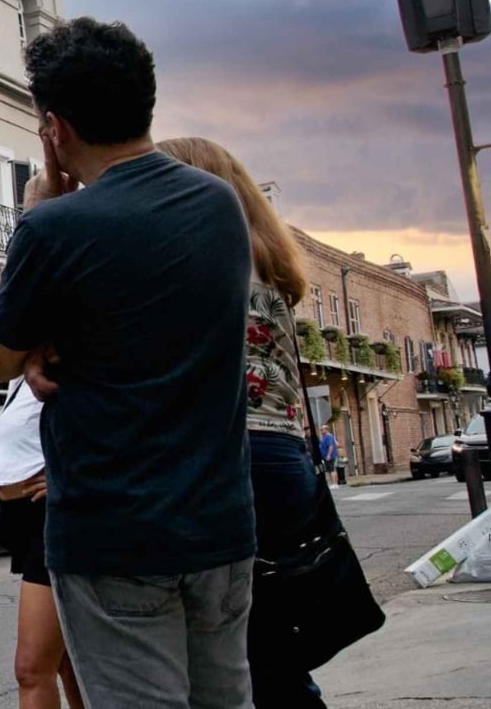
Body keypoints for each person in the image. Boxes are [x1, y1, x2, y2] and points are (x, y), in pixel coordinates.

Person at [0, 18, 256, 709]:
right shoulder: (220, 205)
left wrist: (42, 209)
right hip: (220, 525)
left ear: (55, 129)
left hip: (113, 534)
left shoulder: (55, 227)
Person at [157, 136, 331, 708]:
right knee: (277, 649)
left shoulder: (196, 254)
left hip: (228, 454)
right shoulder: (270, 261)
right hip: (285, 459)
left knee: (224, 651)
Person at [0, 374, 85, 709]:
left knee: (31, 668)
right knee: (67, 662)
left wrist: (69, 479)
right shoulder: (21, 377)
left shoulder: (62, 361)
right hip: (26, 521)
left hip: (52, 518)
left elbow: (115, 419)